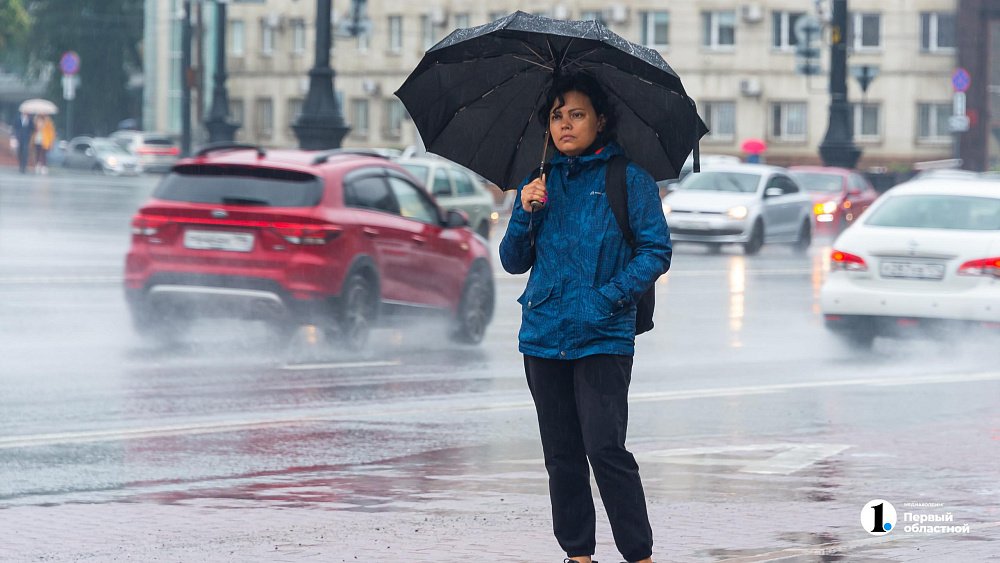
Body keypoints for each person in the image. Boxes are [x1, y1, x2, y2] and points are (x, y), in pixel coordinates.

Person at [499, 73, 671, 563]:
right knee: (562, 458)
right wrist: (524, 212)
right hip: (543, 334)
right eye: (557, 116)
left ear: (600, 119)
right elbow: (513, 261)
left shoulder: (629, 179)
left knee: (605, 451)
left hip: (603, 335)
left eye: (576, 114)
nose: (565, 124)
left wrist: (608, 298)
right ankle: (578, 555)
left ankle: (639, 554)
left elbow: (656, 251)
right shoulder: (538, 182)